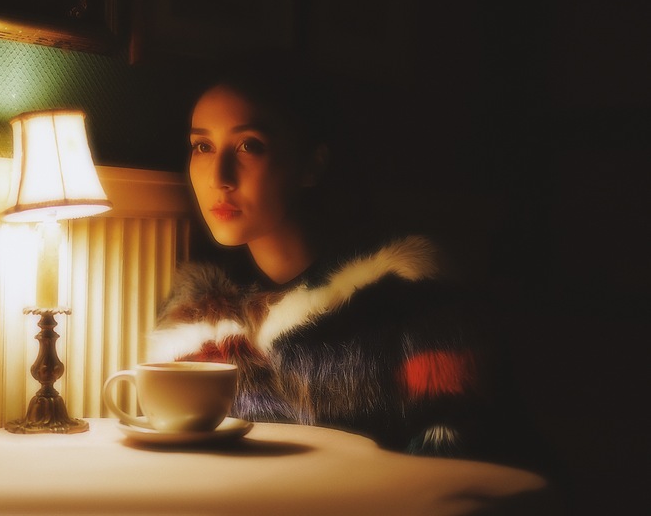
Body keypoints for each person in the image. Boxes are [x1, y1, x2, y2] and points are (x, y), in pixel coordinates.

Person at [148, 51, 556, 474]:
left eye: (250, 145)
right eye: (203, 146)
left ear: (311, 164)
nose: (219, 177)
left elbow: (460, 458)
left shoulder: (406, 291)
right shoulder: (196, 320)